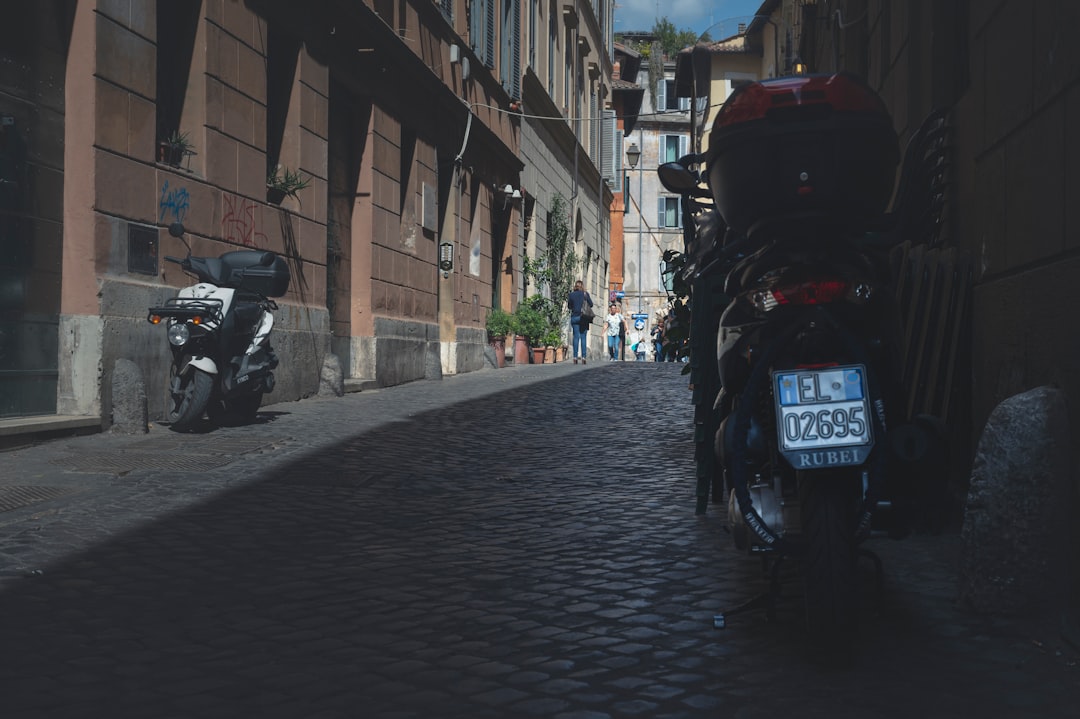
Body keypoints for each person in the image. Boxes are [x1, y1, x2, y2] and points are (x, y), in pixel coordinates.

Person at [566, 280, 593, 364]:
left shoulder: (571, 295)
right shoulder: (585, 294)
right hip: (583, 317)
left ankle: (575, 357)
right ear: (582, 286)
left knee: (576, 337)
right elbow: (591, 304)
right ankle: (584, 357)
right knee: (583, 337)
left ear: (575, 286)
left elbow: (569, 306)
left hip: (575, 317)